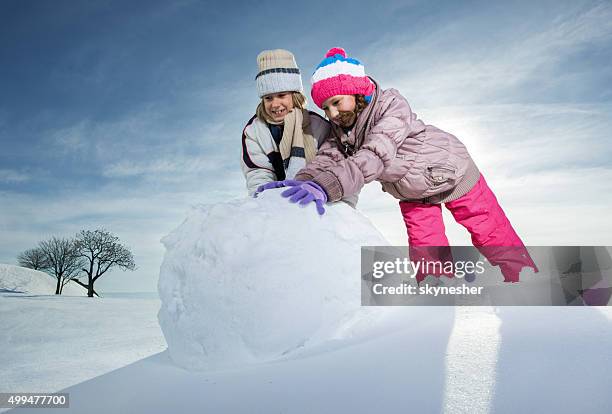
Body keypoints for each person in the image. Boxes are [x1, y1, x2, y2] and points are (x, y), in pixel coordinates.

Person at [256, 47, 538, 283]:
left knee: (491, 233)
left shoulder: (391, 106)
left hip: (453, 172)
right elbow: (329, 156)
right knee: (426, 255)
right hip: (413, 192)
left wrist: (326, 186)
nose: (331, 113)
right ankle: (437, 299)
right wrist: (303, 181)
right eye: (326, 107)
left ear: (356, 92)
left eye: (336, 102)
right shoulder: (342, 128)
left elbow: (376, 154)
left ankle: (527, 282)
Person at [241, 49, 331, 196]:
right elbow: (258, 173)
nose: (275, 104)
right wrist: (270, 198)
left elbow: (332, 164)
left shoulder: (318, 126)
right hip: (276, 200)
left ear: (295, 96)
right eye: (268, 98)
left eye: (281, 95)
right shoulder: (255, 131)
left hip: (315, 194)